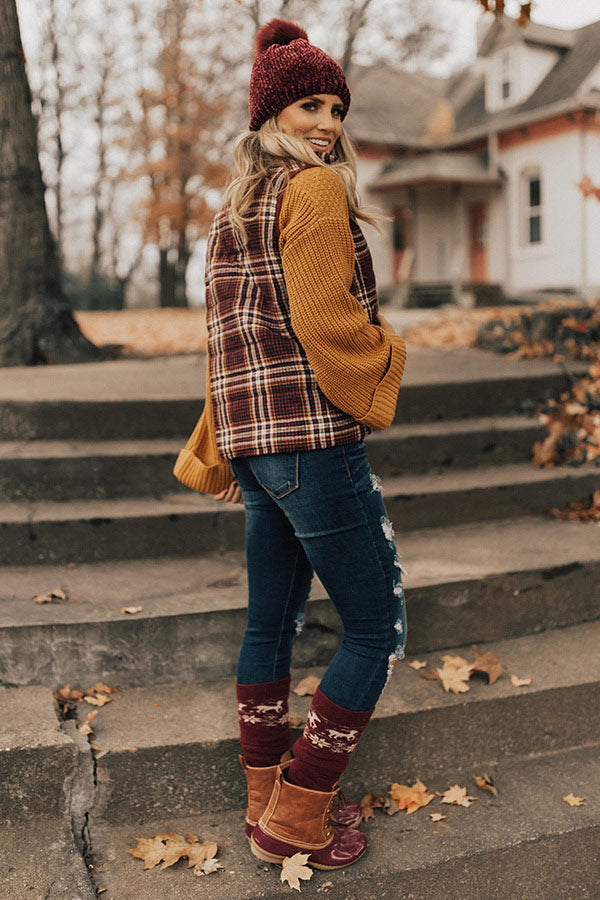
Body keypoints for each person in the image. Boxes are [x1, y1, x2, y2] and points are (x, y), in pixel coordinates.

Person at [174, 17, 407, 872]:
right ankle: (299, 815)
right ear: (270, 113)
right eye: (309, 103)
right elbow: (327, 322)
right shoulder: (312, 192)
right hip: (309, 439)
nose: (328, 123)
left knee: (269, 623)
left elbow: (225, 344)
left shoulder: (233, 209)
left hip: (257, 450)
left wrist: (223, 444)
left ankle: (262, 795)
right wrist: (389, 359)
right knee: (376, 631)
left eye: (336, 106)